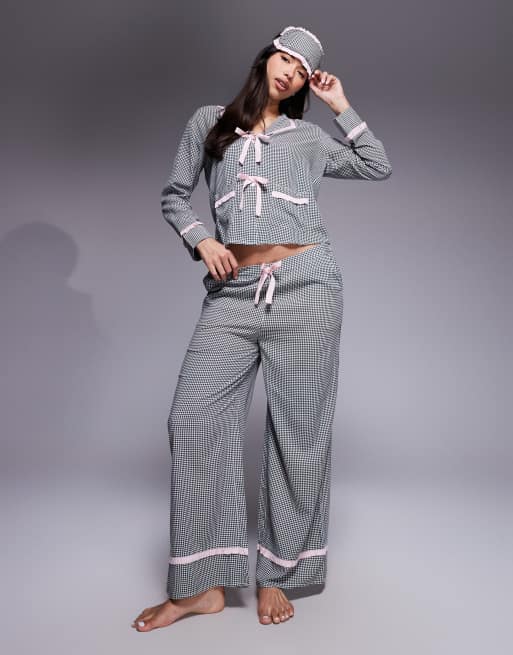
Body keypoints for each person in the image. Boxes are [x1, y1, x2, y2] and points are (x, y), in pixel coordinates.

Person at [131, 24, 392, 630]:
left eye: (302, 71)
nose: (291, 74)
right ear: (267, 57)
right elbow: (174, 195)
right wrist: (202, 240)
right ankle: (200, 585)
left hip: (308, 286)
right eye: (286, 60)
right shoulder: (211, 121)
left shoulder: (310, 138)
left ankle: (278, 573)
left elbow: (377, 165)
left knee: (298, 433)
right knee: (192, 416)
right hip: (233, 293)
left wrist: (340, 104)